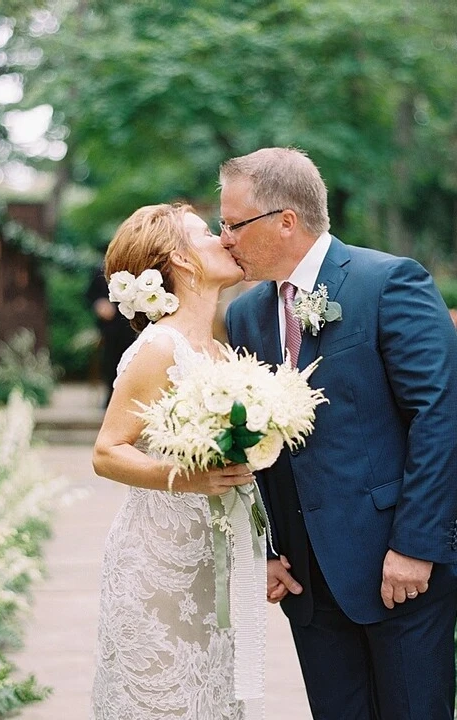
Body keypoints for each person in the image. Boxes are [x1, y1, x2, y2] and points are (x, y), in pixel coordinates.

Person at [219, 147, 457, 720]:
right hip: (307, 580)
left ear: (285, 220)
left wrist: (415, 547)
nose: (224, 238)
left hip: (397, 568)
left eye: (232, 224)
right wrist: (270, 548)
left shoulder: (389, 282)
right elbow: (254, 442)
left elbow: (440, 415)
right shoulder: (246, 315)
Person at [89, 203, 261, 720]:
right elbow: (106, 452)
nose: (225, 240)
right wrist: (187, 479)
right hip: (158, 568)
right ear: (181, 261)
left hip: (214, 565)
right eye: (208, 233)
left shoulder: (223, 352)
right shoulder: (161, 346)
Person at [86, 264, 136, 406]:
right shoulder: (101, 269)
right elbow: (90, 295)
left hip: (132, 326)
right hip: (111, 327)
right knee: (111, 361)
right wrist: (99, 304)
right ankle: (112, 397)